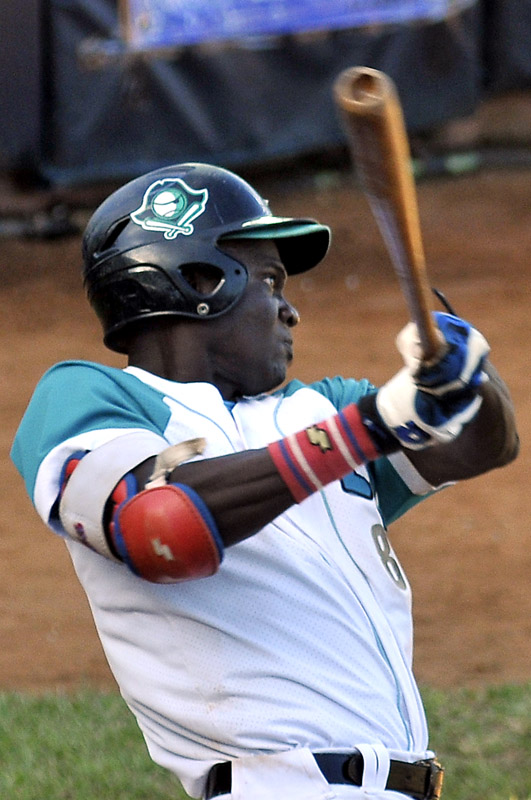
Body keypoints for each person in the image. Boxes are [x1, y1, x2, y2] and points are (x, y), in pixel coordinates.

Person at [11, 162, 518, 800]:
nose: (291, 310)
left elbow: (484, 445)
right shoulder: (90, 395)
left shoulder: (319, 409)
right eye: (271, 281)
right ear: (198, 280)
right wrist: (369, 428)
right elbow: (154, 525)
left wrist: (468, 371)